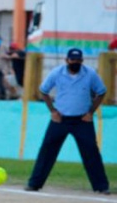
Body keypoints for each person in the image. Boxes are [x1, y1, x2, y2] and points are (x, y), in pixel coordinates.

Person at [25, 48, 110, 195]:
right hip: (60, 119)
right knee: (47, 151)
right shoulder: (57, 73)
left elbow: (101, 92)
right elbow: (43, 91)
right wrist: (52, 111)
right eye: (72, 60)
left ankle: (101, 186)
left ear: (82, 61)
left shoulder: (90, 74)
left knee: (91, 152)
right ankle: (34, 183)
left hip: (82, 120)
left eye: (78, 60)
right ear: (67, 60)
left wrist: (90, 112)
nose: (75, 63)